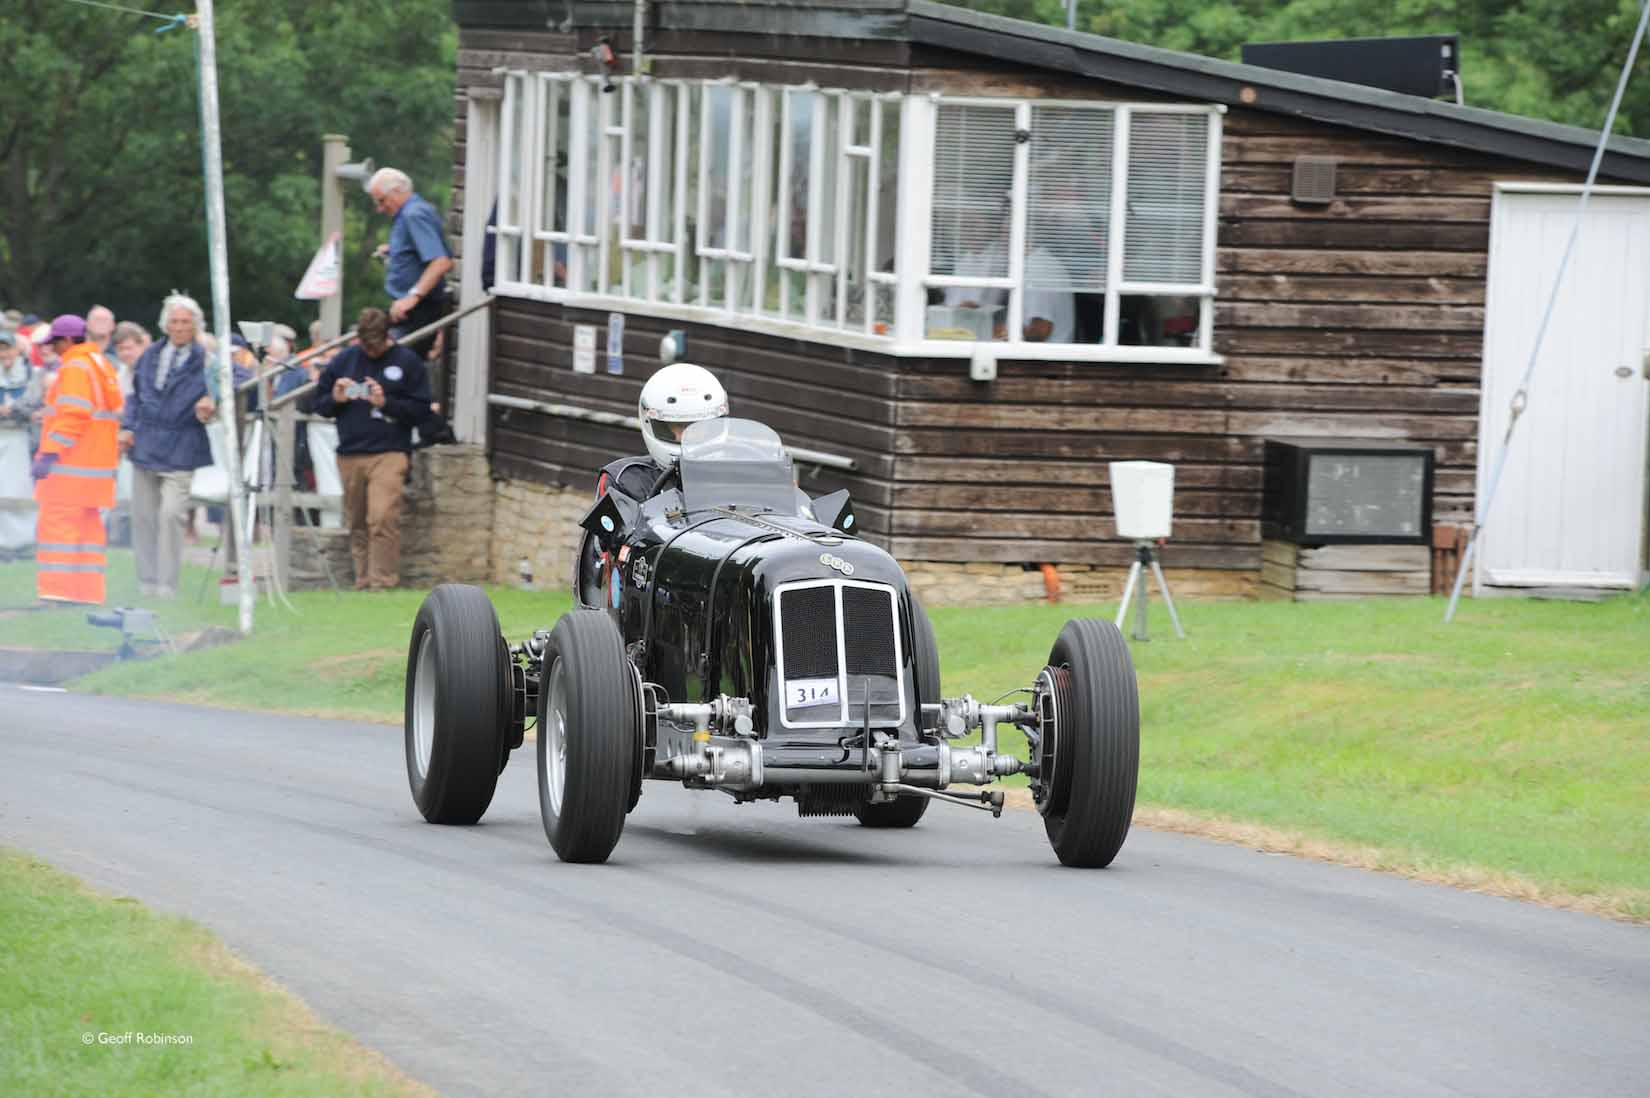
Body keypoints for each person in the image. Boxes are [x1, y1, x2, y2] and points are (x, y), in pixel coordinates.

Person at [304, 308, 431, 590]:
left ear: (387, 336)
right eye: (365, 345)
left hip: (390, 451)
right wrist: (336, 399)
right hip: (350, 451)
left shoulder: (408, 362)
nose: (370, 351)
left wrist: (386, 403)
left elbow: (422, 410)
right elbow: (319, 404)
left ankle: (382, 581)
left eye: (375, 345)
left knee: (383, 516)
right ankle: (362, 578)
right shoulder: (344, 361)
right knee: (357, 519)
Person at [120, 293, 219, 598]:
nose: (179, 327)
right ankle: (147, 581)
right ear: (165, 324)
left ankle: (167, 584)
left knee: (171, 515)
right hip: (146, 444)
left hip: (182, 444)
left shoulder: (207, 359)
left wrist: (212, 400)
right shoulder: (149, 355)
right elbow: (135, 397)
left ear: (195, 326)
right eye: (174, 321)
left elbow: (230, 383)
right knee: (144, 517)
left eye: (185, 322)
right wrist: (126, 428)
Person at [31, 314, 123, 604]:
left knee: (58, 528)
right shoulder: (100, 364)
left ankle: (56, 592)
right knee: (88, 532)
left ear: (69, 340)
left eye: (55, 343)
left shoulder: (74, 366)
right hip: (95, 471)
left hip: (69, 468)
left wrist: (48, 453)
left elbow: (73, 415)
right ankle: (88, 593)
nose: (52, 350)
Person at [367, 167, 453, 357]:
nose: (380, 208)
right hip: (406, 308)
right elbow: (422, 250)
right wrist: (394, 250)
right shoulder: (410, 212)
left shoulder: (414, 214)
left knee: (395, 364)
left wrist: (412, 296)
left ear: (397, 191)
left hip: (418, 309)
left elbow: (441, 261)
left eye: (382, 201)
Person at [0, 329, 45, 559]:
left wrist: (15, 410)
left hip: (21, 438)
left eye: (7, 347)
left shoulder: (31, 373)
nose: (3, 353)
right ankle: (4, 544)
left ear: (17, 349)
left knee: (20, 488)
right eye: (0, 349)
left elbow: (35, 402)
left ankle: (25, 542)